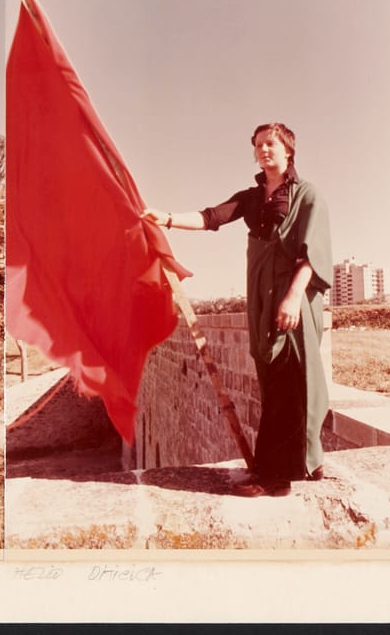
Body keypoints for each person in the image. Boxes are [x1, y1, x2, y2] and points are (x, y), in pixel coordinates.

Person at [142, 122, 333, 497]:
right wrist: (166, 219)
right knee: (272, 379)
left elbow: (313, 252)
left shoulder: (308, 195)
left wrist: (293, 297)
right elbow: (210, 217)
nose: (264, 150)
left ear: (288, 150)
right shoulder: (252, 197)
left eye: (271, 144)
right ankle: (302, 464)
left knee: (292, 379)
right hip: (262, 297)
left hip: (294, 296)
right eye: (258, 145)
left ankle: (275, 478)